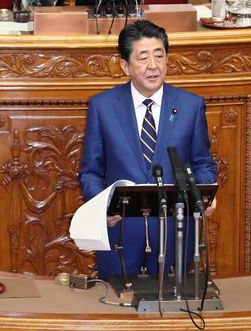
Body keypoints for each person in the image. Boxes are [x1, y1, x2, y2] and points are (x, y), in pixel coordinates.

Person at [79, 20, 217, 278]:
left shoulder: (190, 106)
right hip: (120, 230)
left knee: (171, 313)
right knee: (116, 310)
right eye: (143, 58)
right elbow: (91, 171)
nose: (153, 66)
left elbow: (202, 163)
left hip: (174, 230)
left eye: (159, 56)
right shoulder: (103, 106)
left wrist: (204, 194)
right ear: (125, 65)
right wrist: (101, 209)